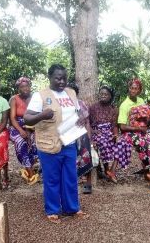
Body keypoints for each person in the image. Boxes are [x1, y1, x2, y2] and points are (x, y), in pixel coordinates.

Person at [24, 64, 86, 223]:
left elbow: (78, 112)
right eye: (58, 78)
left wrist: (81, 117)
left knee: (71, 177)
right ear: (50, 77)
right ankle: (52, 210)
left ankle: (72, 208)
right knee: (52, 179)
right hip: (49, 144)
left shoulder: (71, 92)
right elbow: (27, 118)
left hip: (69, 142)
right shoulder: (41, 96)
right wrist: (42, 115)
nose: (62, 81)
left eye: (64, 78)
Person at [118, 78, 150, 185]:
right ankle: (148, 172)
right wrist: (139, 129)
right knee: (149, 146)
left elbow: (146, 118)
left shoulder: (141, 101)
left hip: (142, 132)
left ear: (139, 90)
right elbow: (122, 127)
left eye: (136, 89)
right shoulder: (124, 105)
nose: (133, 91)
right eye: (131, 88)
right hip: (129, 133)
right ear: (129, 89)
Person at [89, 85, 123, 184]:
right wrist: (93, 131)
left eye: (106, 94)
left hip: (109, 132)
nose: (103, 96)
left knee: (122, 143)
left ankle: (112, 171)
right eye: (101, 94)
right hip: (97, 132)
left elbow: (114, 125)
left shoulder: (114, 109)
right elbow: (88, 124)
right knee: (103, 142)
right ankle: (105, 168)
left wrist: (116, 135)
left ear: (110, 96)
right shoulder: (93, 108)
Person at [9, 76, 38, 184]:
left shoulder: (34, 97)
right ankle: (30, 174)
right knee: (21, 142)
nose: (25, 88)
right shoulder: (14, 99)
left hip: (32, 126)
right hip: (16, 126)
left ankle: (30, 168)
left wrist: (32, 128)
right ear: (18, 88)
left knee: (35, 142)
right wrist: (21, 130)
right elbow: (12, 118)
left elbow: (37, 114)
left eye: (27, 86)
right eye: (22, 87)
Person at [66, 82, 93, 194]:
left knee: (86, 153)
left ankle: (88, 182)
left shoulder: (81, 104)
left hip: (81, 133)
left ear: (76, 93)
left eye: (73, 92)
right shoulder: (62, 105)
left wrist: (89, 137)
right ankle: (70, 183)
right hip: (67, 134)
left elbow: (87, 122)